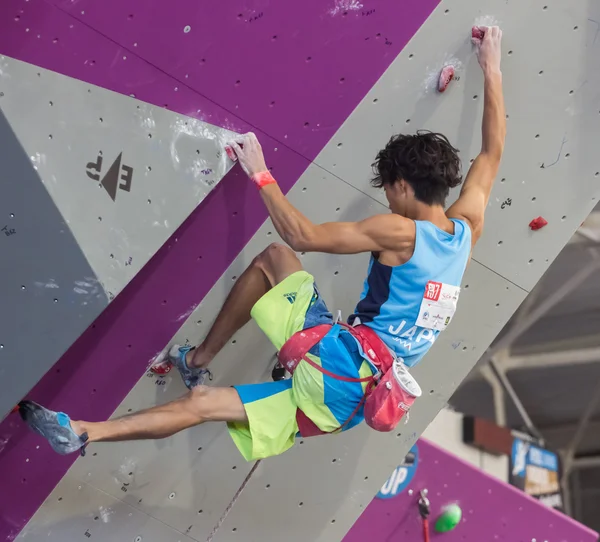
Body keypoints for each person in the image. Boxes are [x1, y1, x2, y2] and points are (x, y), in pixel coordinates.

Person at [19, 26, 505, 462]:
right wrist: (492, 67)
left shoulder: (401, 231)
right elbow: (491, 151)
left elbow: (301, 237)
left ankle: (199, 358)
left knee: (276, 257)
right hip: (353, 404)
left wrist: (261, 173)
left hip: (340, 365)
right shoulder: (466, 230)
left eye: (388, 189)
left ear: (401, 185)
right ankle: (82, 432)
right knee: (205, 405)